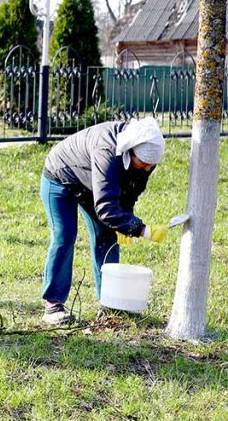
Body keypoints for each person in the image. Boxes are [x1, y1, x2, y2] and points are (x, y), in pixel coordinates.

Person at [39, 117, 168, 325]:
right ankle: (53, 305)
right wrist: (141, 229)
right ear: (130, 150)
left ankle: (110, 302)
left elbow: (129, 193)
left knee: (107, 237)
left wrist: (125, 223)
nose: (146, 169)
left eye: (150, 166)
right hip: (60, 176)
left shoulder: (145, 159)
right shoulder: (106, 151)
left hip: (92, 185)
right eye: (143, 163)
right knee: (64, 236)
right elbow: (106, 208)